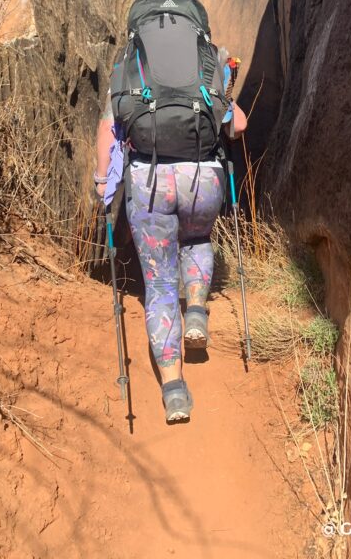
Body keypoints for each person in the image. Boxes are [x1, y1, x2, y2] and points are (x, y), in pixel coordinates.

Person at [93, 42, 247, 424]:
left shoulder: (130, 66)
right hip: (203, 178)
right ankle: (195, 310)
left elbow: (107, 130)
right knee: (197, 240)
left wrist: (101, 183)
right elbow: (238, 125)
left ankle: (174, 390)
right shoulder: (209, 62)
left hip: (149, 182)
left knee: (160, 285)